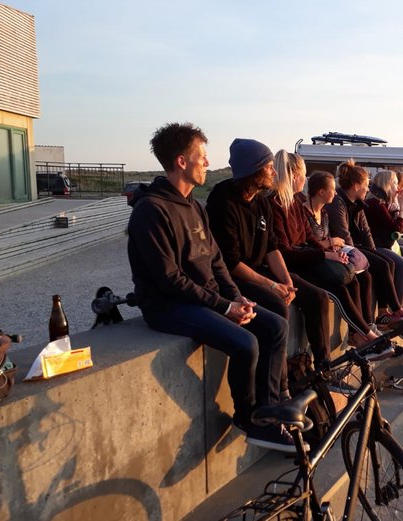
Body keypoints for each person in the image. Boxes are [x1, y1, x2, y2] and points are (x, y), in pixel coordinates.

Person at [127, 123, 294, 452]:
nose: (207, 163)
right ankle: (248, 418)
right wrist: (223, 307)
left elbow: (217, 262)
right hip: (167, 306)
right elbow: (169, 279)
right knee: (246, 343)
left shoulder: (194, 207)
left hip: (205, 298)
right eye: (201, 157)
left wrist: (236, 297)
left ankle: (268, 408)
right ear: (181, 161)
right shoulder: (151, 210)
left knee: (274, 326)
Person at [207, 138, 339, 380]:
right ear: (253, 169)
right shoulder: (222, 202)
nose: (274, 172)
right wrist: (272, 285)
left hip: (259, 268)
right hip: (233, 276)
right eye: (269, 167)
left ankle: (323, 367)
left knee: (315, 296)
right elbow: (231, 262)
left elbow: (272, 248)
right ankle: (279, 382)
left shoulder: (260, 201)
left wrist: (287, 282)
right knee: (277, 305)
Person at [268, 151, 380, 348]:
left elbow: (309, 238)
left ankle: (361, 335)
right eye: (304, 173)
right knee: (329, 293)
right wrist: (325, 254)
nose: (305, 178)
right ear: (295, 176)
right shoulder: (275, 205)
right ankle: (365, 338)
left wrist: (332, 255)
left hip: (306, 258)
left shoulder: (294, 203)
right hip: (293, 265)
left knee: (352, 281)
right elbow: (284, 251)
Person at [325, 159, 403, 329]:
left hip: (357, 246)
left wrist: (372, 252)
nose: (368, 188)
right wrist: (367, 256)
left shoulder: (359, 203)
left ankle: (385, 313)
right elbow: (343, 234)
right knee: (378, 268)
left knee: (386, 262)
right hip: (345, 248)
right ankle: (390, 314)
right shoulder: (338, 202)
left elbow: (366, 231)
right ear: (356, 186)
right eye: (365, 184)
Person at [364, 170, 403, 310]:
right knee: (402, 264)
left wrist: (396, 207)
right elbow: (396, 228)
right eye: (396, 184)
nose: (399, 188)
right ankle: (399, 309)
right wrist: (402, 206)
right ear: (387, 184)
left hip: (389, 245)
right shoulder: (375, 203)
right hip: (377, 246)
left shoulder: (386, 203)